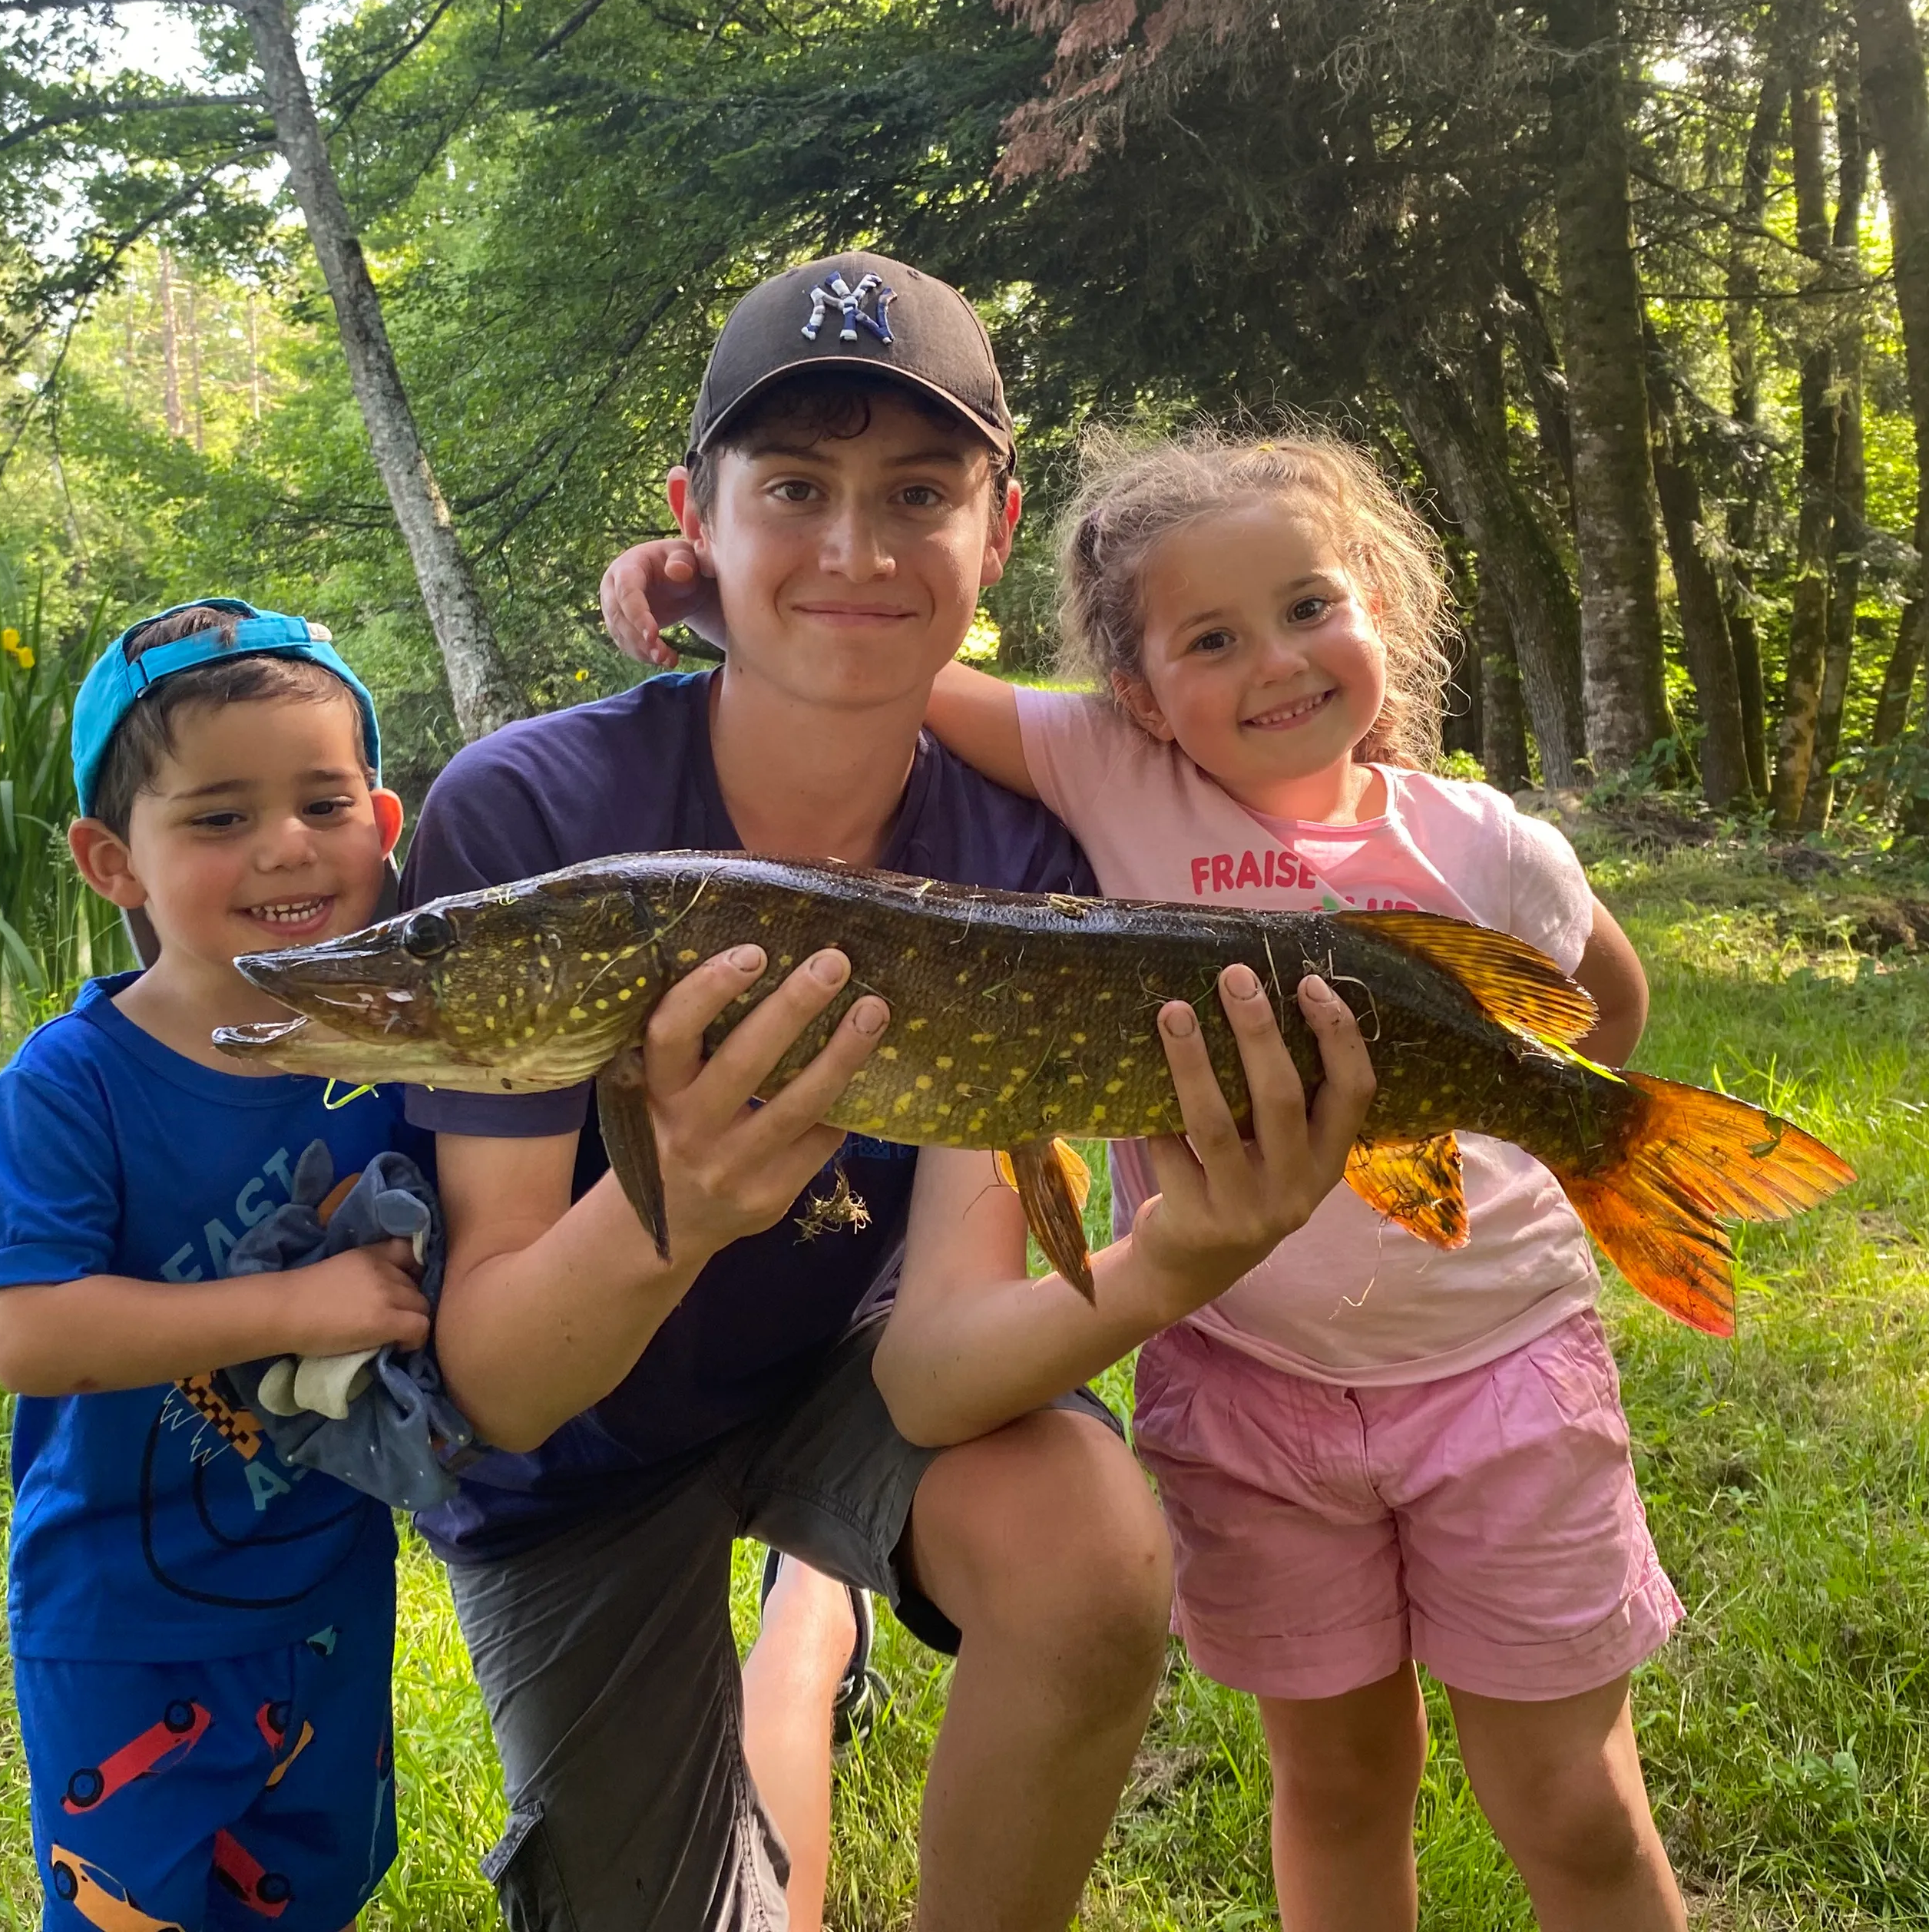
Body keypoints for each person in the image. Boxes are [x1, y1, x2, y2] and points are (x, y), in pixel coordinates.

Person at [404, 253, 1382, 1932]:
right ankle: (814, 1616)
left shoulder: (1032, 846)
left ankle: (816, 1587)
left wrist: (1169, 1266)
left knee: (1087, 1553)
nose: (856, 550)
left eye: (917, 494)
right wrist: (681, 1213)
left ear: (995, 536)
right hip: (577, 1441)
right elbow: (496, 1386)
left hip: (850, 1375)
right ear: (693, 519)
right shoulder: (524, 823)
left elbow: (935, 1371)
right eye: (794, 489)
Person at [606, 430, 1692, 1931]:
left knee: (1569, 1801)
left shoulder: (1487, 844)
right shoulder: (1108, 773)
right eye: (1212, 639)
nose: (1277, 661)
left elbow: (1602, 1015)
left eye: (1312, 606)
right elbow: (900, 667)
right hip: (1247, 1391)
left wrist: (1519, 1119)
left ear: (1378, 604)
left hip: (1498, 1371)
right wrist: (717, 590)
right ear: (1138, 694)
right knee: (1337, 1782)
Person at [0, 600, 430, 1932]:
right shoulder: (70, 1087)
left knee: (311, 1891)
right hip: (117, 1622)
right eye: (219, 818)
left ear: (385, 830)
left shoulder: (393, 1052)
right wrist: (297, 1303)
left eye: (325, 805)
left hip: (328, 1586)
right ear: (114, 861)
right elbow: (31, 1333)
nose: (286, 845)